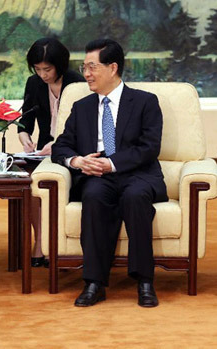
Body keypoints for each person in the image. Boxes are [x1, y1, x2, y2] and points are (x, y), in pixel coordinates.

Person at [51, 39, 168, 307]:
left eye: (92, 67)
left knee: (136, 197)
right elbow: (61, 146)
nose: (87, 74)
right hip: (97, 176)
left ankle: (145, 281)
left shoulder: (145, 102)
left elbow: (149, 147)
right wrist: (78, 161)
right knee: (92, 196)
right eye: (84, 67)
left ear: (112, 67)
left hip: (136, 173)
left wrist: (112, 163)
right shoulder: (81, 107)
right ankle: (94, 283)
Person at [17, 37, 85, 267]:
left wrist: (59, 145)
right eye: (37, 69)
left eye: (47, 69)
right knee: (31, 187)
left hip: (74, 151)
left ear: (60, 65)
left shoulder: (78, 83)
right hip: (43, 151)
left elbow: (85, 128)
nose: (42, 75)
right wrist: (24, 135)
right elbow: (26, 117)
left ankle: (63, 246)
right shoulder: (33, 83)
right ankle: (41, 242)